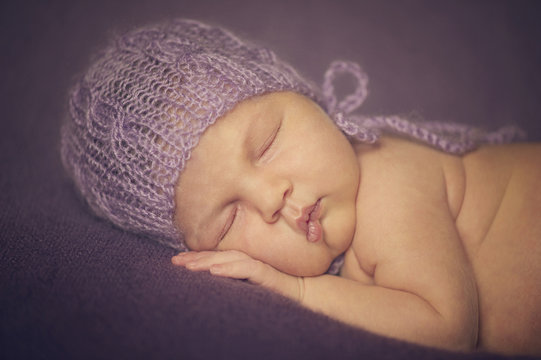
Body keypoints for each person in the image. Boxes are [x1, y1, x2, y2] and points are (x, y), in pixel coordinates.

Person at [60, 19, 540, 355]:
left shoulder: (388, 177)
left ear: (307, 98)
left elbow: (448, 326)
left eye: (267, 144)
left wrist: (299, 292)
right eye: (229, 219)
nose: (271, 198)